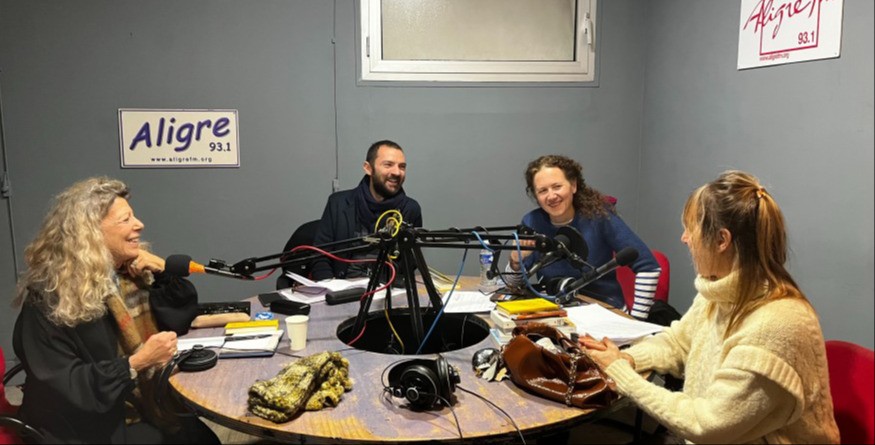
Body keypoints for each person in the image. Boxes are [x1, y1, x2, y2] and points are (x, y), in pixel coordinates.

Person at [581, 171, 839, 443]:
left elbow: (706, 425)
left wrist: (620, 373)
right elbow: (678, 343)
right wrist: (628, 359)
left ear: (721, 240)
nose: (684, 238)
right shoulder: (718, 293)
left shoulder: (775, 325)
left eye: (690, 228)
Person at [11, 177, 219, 444]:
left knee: (202, 438)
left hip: (139, 401)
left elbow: (181, 322)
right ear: (91, 233)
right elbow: (64, 385)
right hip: (84, 425)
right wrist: (136, 363)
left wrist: (164, 273)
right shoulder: (51, 297)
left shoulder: (129, 275)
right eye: (125, 219)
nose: (139, 224)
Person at [506, 155, 661, 319]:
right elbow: (513, 286)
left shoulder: (599, 217)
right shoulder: (532, 222)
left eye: (557, 186)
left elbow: (649, 268)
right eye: (542, 191)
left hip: (605, 314)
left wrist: (636, 321)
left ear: (573, 185)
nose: (551, 196)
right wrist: (515, 261)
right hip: (557, 313)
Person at [309, 140, 423, 280]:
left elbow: (408, 263)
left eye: (402, 167)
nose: (397, 172)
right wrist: (330, 287)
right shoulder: (338, 203)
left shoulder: (410, 209)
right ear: (368, 168)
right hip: (341, 288)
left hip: (386, 289)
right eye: (388, 165)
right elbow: (320, 256)